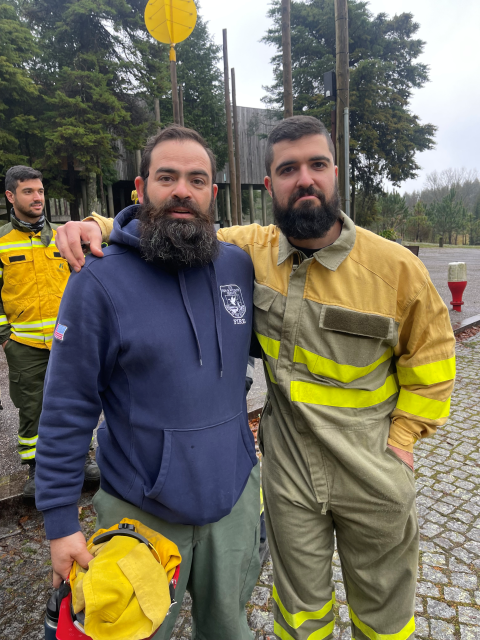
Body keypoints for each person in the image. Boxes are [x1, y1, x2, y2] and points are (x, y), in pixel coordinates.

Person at [56, 116, 455, 640]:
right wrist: (101, 226)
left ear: (336, 174)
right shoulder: (250, 252)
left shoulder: (396, 269)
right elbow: (174, 222)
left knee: (384, 614)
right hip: (288, 475)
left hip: (372, 471)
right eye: (288, 169)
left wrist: (402, 442)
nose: (304, 179)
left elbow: (434, 362)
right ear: (269, 186)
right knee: (300, 612)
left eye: (317, 164)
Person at [35, 126, 260, 640]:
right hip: (143, 512)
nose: (182, 189)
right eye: (167, 177)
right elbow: (67, 407)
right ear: (141, 187)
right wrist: (60, 522)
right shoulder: (96, 281)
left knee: (230, 630)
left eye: (196, 179)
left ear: (212, 193)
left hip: (235, 501)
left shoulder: (238, 267)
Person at [0, 166, 99, 496]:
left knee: (76, 400)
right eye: (28, 191)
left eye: (40, 191)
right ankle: (37, 469)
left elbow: (84, 281)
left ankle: (83, 459)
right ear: (11, 196)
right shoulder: (2, 242)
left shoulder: (63, 238)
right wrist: (6, 337)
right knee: (32, 408)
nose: (37, 197)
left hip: (67, 340)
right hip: (24, 343)